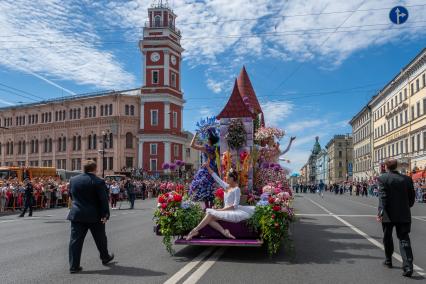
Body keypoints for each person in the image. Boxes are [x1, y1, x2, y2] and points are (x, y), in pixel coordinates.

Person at [186, 160, 255, 240]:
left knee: (209, 215)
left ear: (232, 178)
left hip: (232, 212)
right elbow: (215, 177)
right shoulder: (226, 186)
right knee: (209, 217)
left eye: (228, 177)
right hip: (225, 210)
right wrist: (208, 167)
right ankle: (224, 232)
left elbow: (234, 206)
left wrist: (221, 209)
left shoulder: (237, 189)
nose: (226, 178)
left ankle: (194, 231)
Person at [67, 160, 114, 274]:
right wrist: (105, 214)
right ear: (95, 169)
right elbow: (103, 199)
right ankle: (105, 257)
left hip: (77, 214)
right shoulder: (98, 181)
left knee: (75, 241)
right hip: (95, 215)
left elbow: (71, 195)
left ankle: (74, 266)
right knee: (100, 238)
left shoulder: (73, 180)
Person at [377, 159, 415, 278]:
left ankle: (388, 260)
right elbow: (411, 198)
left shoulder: (383, 179)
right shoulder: (407, 179)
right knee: (404, 240)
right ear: (397, 167)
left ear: (387, 168)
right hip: (404, 213)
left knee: (387, 237)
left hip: (388, 214)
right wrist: (406, 206)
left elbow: (383, 197)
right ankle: (408, 266)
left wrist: (381, 212)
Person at [188, 129, 219, 208]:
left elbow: (192, 145)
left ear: (209, 140)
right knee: (212, 187)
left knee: (203, 186)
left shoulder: (205, 148)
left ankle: (207, 207)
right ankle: (211, 207)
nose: (206, 139)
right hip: (213, 169)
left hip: (206, 168)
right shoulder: (216, 148)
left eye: (207, 138)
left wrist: (195, 135)